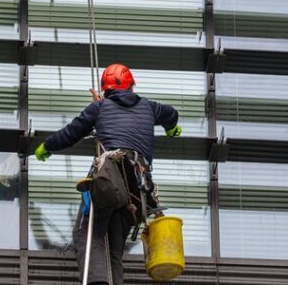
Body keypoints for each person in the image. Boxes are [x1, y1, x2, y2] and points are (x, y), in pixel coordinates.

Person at [34, 63, 182, 285]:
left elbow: (72, 132)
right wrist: (171, 128)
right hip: (137, 190)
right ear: (132, 86)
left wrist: (46, 146)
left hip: (109, 182)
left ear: (106, 89)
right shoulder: (149, 107)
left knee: (88, 235)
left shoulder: (100, 108)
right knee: (114, 244)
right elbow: (171, 114)